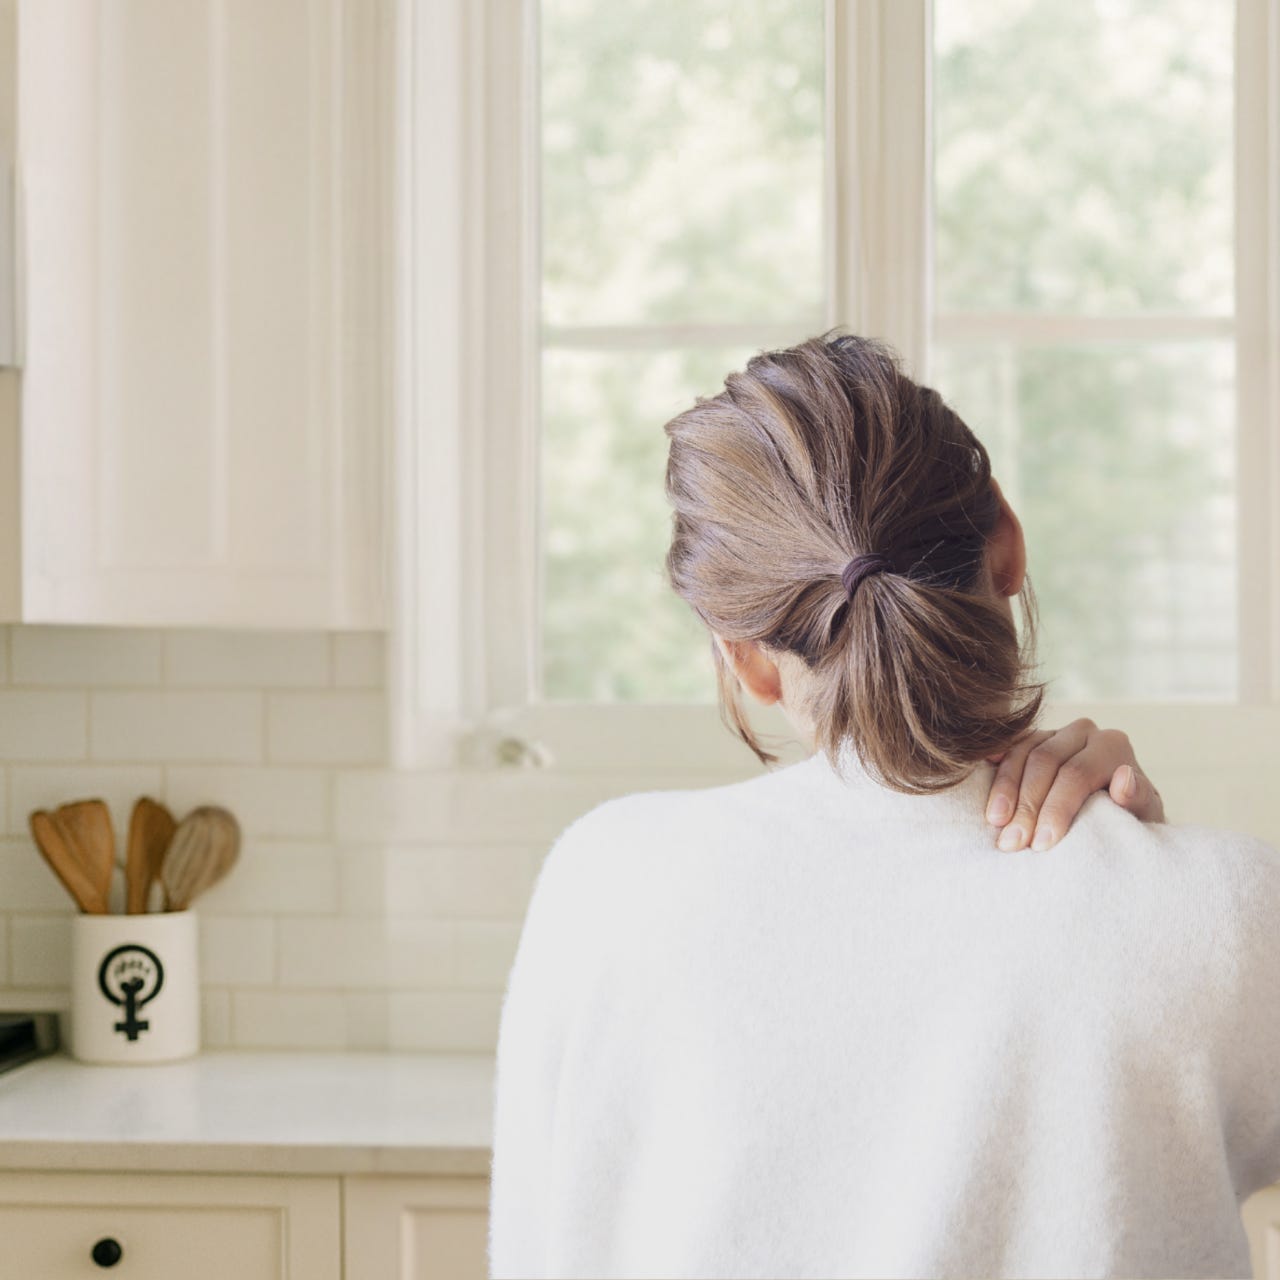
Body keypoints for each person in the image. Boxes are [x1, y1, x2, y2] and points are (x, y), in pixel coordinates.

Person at [488, 332, 1280, 1279]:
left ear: (744, 659)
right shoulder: (1232, 907)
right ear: (1008, 547)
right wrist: (1156, 875)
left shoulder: (603, 881)